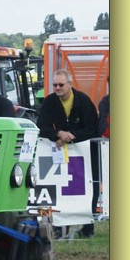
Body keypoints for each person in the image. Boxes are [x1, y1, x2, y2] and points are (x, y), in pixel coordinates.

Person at [37, 69, 99, 237]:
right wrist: (58, 134)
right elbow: (41, 126)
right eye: (55, 85)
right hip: (60, 152)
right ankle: (58, 225)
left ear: (70, 84)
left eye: (61, 85)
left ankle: (88, 227)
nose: (57, 88)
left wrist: (71, 137)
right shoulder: (49, 102)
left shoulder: (83, 101)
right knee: (59, 186)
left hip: (84, 154)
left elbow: (92, 127)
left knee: (89, 186)